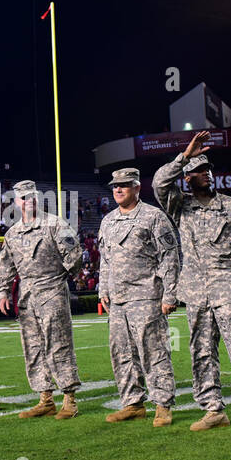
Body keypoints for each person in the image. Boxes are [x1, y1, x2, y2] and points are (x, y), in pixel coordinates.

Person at [153, 131, 231, 436]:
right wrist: (183, 157)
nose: (205, 174)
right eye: (197, 172)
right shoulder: (180, 206)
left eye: (207, 170)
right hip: (196, 292)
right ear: (187, 179)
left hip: (228, 287)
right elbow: (159, 183)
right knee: (201, 351)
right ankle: (213, 409)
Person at [0, 180, 83, 420]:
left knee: (59, 344)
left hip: (51, 291)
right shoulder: (13, 233)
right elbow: (5, 266)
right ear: (16, 202)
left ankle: (69, 399)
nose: (29, 201)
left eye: (32, 196)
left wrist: (59, 277)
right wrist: (2, 291)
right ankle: (45, 398)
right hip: (26, 296)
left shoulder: (55, 223)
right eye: (24, 198)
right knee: (33, 348)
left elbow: (74, 255)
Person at [98, 167, 180, 426]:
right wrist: (103, 289)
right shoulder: (108, 220)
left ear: (136, 187)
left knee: (153, 351)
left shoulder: (154, 217)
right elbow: (105, 260)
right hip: (118, 298)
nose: (118, 189)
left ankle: (163, 404)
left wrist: (170, 294)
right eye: (115, 186)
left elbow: (169, 256)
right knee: (121, 353)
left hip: (146, 296)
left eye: (124, 185)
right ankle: (132, 403)